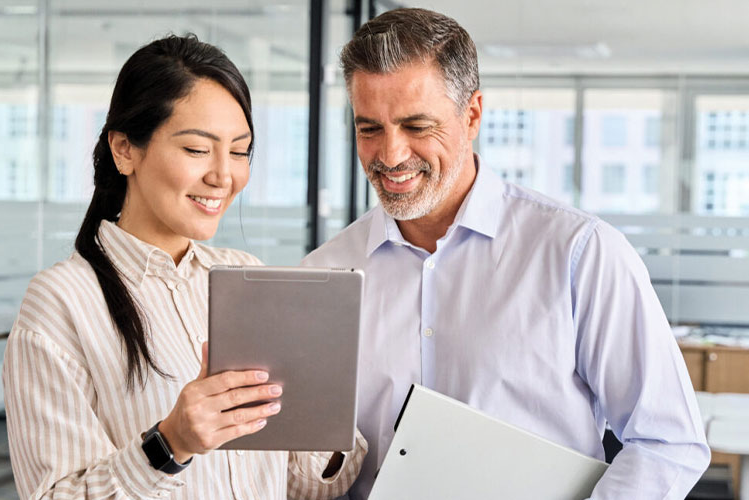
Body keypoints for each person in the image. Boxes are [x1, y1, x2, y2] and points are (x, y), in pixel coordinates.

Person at [303, 8, 709, 500]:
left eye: (416, 126)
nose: (390, 155)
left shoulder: (579, 253)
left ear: (472, 115)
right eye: (369, 129)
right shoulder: (324, 275)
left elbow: (668, 441)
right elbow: (309, 465)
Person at [2, 34, 365, 500]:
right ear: (124, 149)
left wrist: (324, 403)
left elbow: (304, 486)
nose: (223, 176)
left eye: (239, 151)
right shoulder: (61, 303)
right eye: (197, 149)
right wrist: (171, 443)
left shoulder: (244, 274)